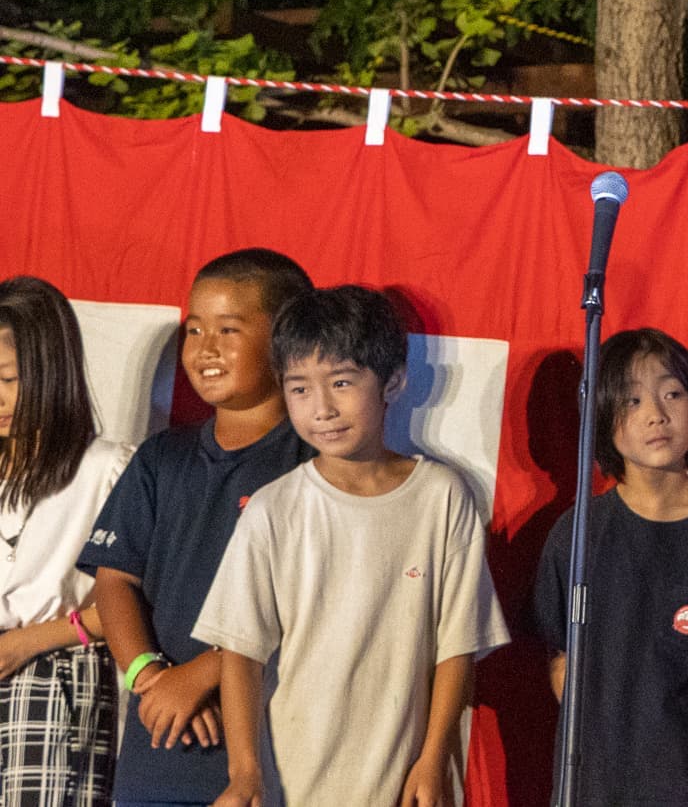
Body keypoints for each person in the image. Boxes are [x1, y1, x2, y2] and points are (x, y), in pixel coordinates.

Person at [192, 284, 509, 807]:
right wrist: (245, 773)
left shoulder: (441, 496)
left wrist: (433, 759)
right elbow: (241, 654)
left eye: (341, 382)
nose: (322, 408)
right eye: (300, 388)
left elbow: (457, 648)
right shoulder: (274, 509)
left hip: (407, 783)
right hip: (294, 782)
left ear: (393, 381)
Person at [77, 249, 315, 807]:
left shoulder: (314, 462)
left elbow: (312, 601)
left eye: (228, 330)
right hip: (159, 750)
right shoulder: (162, 456)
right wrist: (149, 675)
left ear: (286, 339)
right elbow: (114, 580)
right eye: (195, 329)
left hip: (273, 755)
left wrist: (202, 675)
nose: (205, 348)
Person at [532, 329, 688, 807]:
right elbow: (560, 655)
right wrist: (606, 739)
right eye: (632, 400)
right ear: (603, 417)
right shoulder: (579, 532)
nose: (656, 414)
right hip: (599, 785)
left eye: (672, 393)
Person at [0, 275, 132, 806]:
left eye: (8, 379)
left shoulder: (105, 468)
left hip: (52, 674)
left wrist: (26, 642)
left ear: (50, 370)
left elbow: (131, 604)